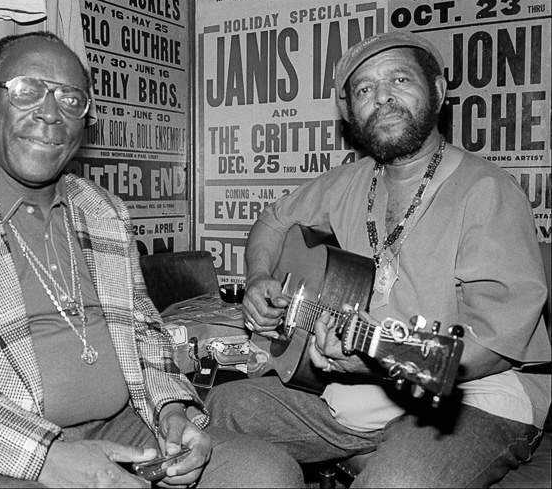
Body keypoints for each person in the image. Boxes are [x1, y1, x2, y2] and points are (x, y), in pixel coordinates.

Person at [0, 32, 304, 488]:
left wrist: (172, 411)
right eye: (27, 91)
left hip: (120, 427)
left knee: (268, 473)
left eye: (71, 99)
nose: (51, 113)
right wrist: (46, 457)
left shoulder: (104, 211)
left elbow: (145, 335)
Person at [206, 31, 551, 487]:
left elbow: (492, 346)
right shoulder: (348, 181)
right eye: (365, 89)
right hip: (364, 390)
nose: (382, 98)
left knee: (398, 481)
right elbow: (271, 223)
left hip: (476, 394)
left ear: (439, 92)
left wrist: (381, 359)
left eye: (400, 80)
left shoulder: (486, 190)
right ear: (351, 112)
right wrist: (257, 278)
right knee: (221, 408)